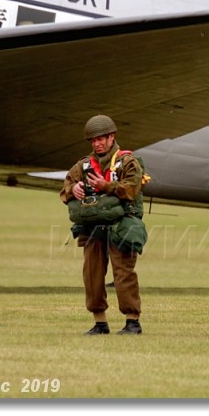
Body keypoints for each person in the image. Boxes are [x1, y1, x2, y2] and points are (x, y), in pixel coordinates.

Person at [61, 115, 146, 335]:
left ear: (111, 137)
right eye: (93, 140)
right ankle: (100, 322)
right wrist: (75, 189)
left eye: (101, 139)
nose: (97, 143)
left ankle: (132, 321)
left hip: (122, 224)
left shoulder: (128, 162)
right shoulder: (84, 165)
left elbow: (131, 189)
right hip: (94, 225)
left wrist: (106, 185)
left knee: (123, 273)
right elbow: (66, 187)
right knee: (92, 274)